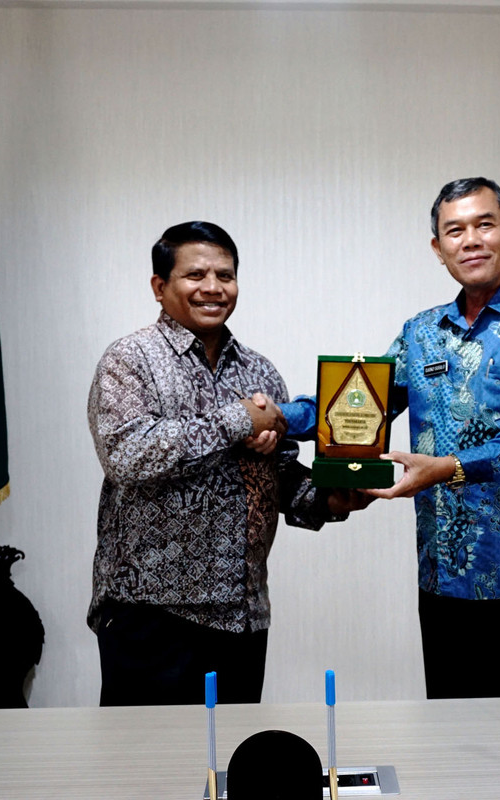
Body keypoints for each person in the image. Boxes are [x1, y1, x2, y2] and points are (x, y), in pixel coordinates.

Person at [282, 178, 500, 698]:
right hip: (443, 578)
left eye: (484, 224)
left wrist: (447, 468)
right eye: (455, 230)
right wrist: (275, 419)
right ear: (438, 248)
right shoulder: (421, 333)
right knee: (455, 733)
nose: (470, 240)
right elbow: (360, 404)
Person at [87, 221, 363, 706]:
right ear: (159, 286)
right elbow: (127, 455)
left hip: (243, 613)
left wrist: (328, 498)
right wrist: (238, 420)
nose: (213, 288)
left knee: (231, 755)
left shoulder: (258, 370)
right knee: (147, 753)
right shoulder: (130, 359)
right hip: (151, 614)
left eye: (226, 275)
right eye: (195, 275)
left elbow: (278, 474)